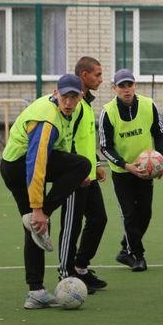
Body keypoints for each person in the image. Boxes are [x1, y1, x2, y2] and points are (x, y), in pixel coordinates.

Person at [0, 74, 91, 309]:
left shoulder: (68, 111)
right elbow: (36, 165)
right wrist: (40, 209)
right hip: (19, 167)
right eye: (65, 96)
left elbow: (60, 150)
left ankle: (36, 292)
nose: (68, 102)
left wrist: (73, 177)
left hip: (17, 165)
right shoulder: (46, 120)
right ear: (56, 93)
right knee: (82, 165)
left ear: (81, 96)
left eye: (74, 97)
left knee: (34, 226)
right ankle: (41, 214)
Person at [99, 69, 163, 272]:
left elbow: (159, 134)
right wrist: (126, 165)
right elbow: (105, 147)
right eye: (122, 86)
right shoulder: (108, 112)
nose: (126, 89)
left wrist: (161, 160)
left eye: (129, 85)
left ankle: (125, 248)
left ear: (135, 86)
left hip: (146, 170)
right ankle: (137, 255)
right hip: (123, 172)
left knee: (145, 213)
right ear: (114, 88)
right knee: (129, 214)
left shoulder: (148, 105)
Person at [57, 57, 109, 293]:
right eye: (97, 74)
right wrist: (74, 173)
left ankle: (80, 267)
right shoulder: (74, 105)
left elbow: (84, 140)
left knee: (99, 219)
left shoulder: (86, 103)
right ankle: (65, 272)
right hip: (74, 178)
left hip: (89, 175)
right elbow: (67, 141)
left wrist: (95, 164)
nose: (101, 79)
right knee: (72, 224)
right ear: (84, 76)